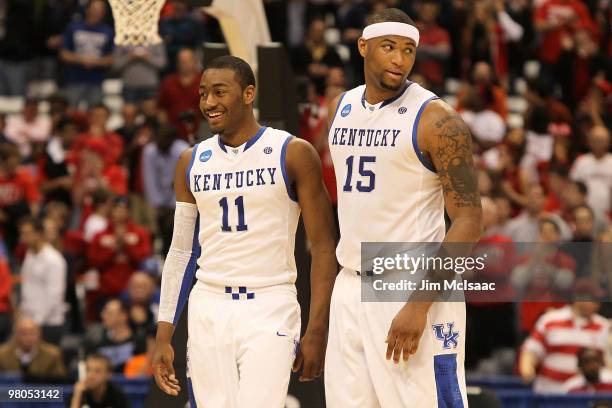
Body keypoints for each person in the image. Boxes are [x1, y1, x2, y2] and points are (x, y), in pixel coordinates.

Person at [153, 55, 337, 407]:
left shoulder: (292, 153)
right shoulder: (190, 161)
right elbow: (180, 253)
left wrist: (317, 330)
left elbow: (324, 247)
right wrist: (164, 334)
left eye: (219, 92)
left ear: (249, 93)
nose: (209, 103)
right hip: (209, 304)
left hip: (270, 304)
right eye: (204, 94)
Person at [325, 8, 483, 407]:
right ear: (363, 47)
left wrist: (417, 306)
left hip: (410, 282)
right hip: (350, 283)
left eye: (408, 50)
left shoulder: (437, 120)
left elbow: (469, 221)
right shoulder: (340, 107)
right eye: (389, 47)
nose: (399, 59)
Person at [18, 217, 67, 345]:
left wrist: (36, 323)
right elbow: (28, 287)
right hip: (29, 321)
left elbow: (55, 296)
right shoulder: (29, 255)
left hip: (48, 324)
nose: (23, 238)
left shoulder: (54, 260)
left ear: (38, 234)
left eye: (27, 233)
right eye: (22, 234)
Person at [0, 316, 66, 381]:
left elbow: (59, 382)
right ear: (15, 335)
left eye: (32, 333)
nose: (28, 338)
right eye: (24, 333)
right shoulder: (2, 354)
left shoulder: (53, 354)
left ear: (40, 334)